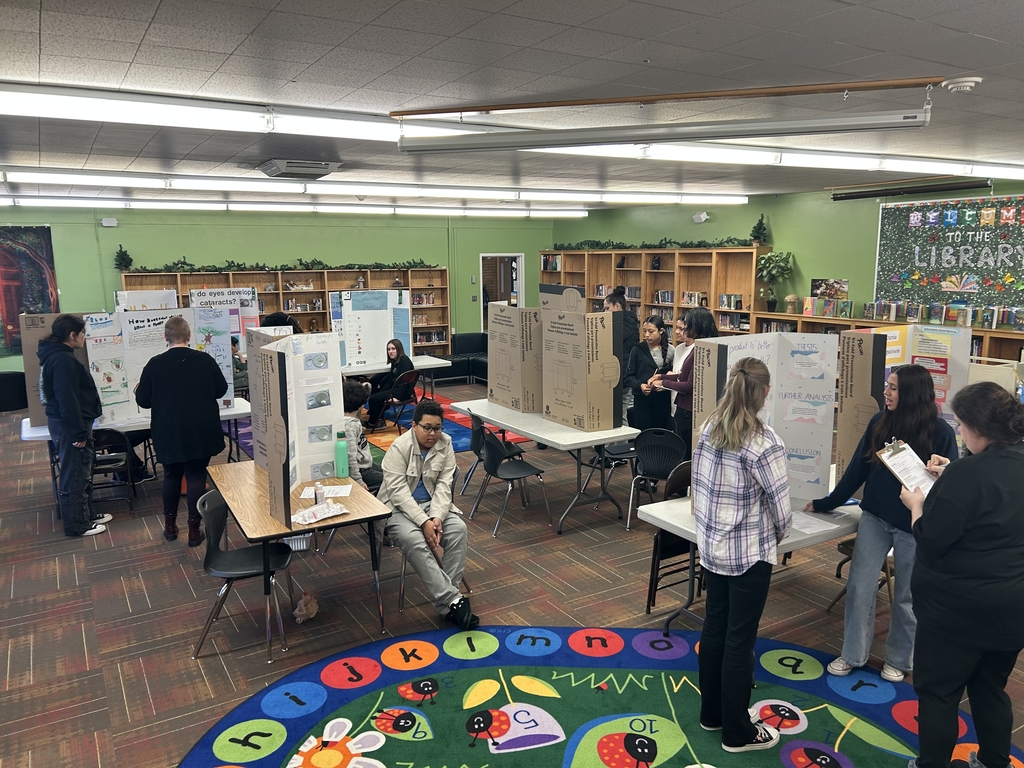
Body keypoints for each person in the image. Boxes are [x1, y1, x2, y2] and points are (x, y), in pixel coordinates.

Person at [808, 363, 957, 683]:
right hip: (875, 517)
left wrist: (939, 471)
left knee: (906, 596)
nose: (885, 393)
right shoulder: (880, 421)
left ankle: (899, 660)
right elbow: (857, 470)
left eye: (892, 388)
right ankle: (853, 654)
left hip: (913, 525)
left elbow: (954, 481)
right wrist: (827, 503)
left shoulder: (941, 432)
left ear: (911, 393)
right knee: (860, 586)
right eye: (887, 386)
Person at [900, 382, 1024, 768]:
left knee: (939, 694)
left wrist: (916, 505)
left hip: (956, 610)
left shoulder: (968, 474)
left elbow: (932, 539)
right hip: (1012, 607)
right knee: (991, 689)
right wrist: (954, 473)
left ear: (974, 426)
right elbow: (997, 499)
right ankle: (993, 762)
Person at [692, 357, 791, 753]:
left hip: (713, 549)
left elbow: (698, 490)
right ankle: (737, 732)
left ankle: (711, 714)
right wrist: (774, 538)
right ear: (765, 392)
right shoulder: (766, 443)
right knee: (739, 641)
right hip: (750, 553)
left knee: (715, 629)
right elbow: (782, 511)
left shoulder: (707, 429)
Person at [376, 400, 476, 630]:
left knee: (459, 529)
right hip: (399, 509)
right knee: (413, 539)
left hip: (434, 506)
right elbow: (398, 493)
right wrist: (423, 522)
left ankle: (445, 607)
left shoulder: (446, 443)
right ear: (414, 425)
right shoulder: (399, 447)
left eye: (437, 428)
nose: (432, 434)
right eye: (427, 428)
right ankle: (453, 599)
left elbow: (444, 484)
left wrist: (437, 517)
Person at [136, 316, 228, 547]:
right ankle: (195, 530)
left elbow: (144, 401)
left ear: (165, 337)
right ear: (189, 337)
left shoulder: (154, 364)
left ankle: (170, 527)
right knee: (196, 475)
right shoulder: (205, 360)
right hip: (200, 427)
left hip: (168, 429)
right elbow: (221, 389)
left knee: (171, 475)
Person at [38, 314, 111, 536]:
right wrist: (78, 433)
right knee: (74, 474)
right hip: (70, 427)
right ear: (72, 335)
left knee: (83, 470)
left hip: (72, 425)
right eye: (82, 333)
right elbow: (67, 400)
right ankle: (76, 525)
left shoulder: (60, 355)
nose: (84, 337)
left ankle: (86, 513)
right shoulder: (62, 360)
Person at [656, 306, 718, 456]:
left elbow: (690, 385)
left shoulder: (700, 350)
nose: (683, 330)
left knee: (686, 455)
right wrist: (662, 377)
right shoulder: (701, 348)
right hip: (686, 409)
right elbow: (683, 375)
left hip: (689, 411)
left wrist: (663, 383)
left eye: (687, 325)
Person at [623, 315, 673, 432]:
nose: (646, 335)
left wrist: (664, 386)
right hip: (642, 400)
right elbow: (628, 376)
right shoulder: (637, 349)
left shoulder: (671, 350)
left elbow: (674, 377)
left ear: (661, 331)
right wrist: (640, 385)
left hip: (662, 401)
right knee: (643, 434)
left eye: (651, 331)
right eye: (644, 331)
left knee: (660, 433)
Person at [341, 379, 384, 491]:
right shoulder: (349, 426)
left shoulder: (351, 422)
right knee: (393, 480)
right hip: (361, 470)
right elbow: (350, 456)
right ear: (362, 405)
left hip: (365, 465)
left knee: (392, 471)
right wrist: (358, 480)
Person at [604, 288, 639, 414]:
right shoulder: (617, 321)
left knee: (622, 411)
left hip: (624, 373)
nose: (605, 312)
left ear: (617, 306)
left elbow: (617, 337)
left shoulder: (628, 321)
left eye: (607, 308)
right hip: (615, 371)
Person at [366, 338, 416, 427]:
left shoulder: (404, 361)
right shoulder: (395, 361)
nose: (390, 351)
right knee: (376, 394)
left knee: (373, 399)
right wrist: (382, 391)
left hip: (402, 393)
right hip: (395, 389)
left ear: (399, 349)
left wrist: (397, 397)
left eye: (393, 349)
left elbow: (404, 382)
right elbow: (391, 380)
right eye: (389, 349)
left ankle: (373, 423)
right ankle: (379, 419)